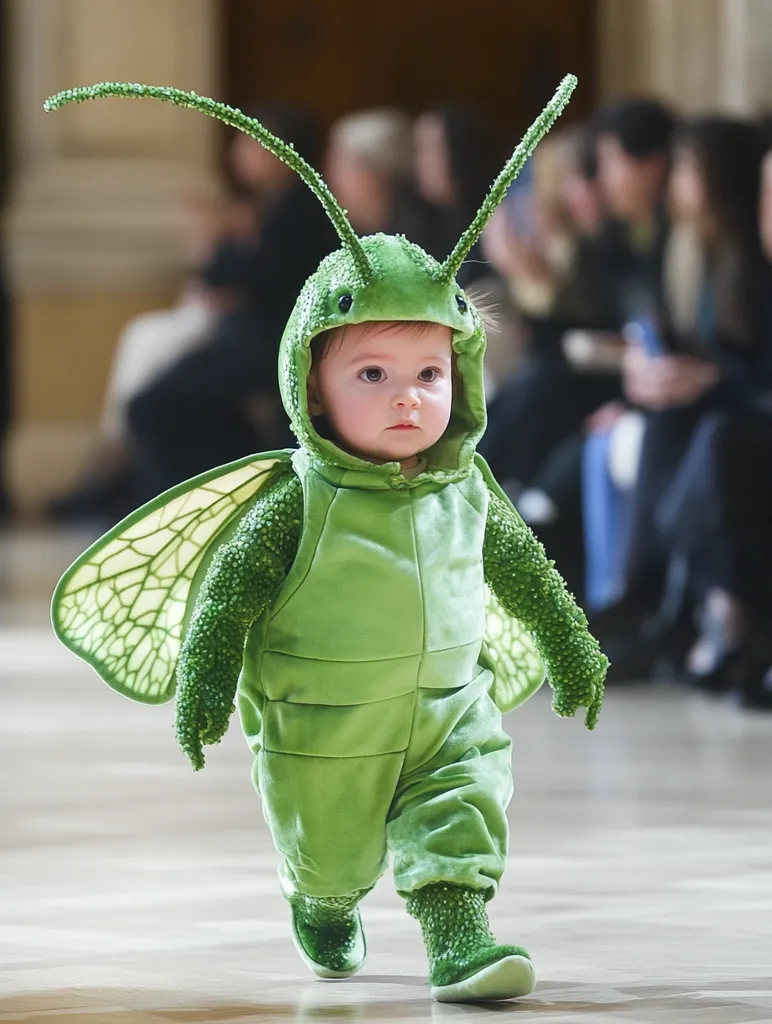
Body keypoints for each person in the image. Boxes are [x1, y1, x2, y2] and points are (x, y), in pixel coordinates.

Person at [50, 78, 608, 1004]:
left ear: (462, 375)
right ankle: (321, 899)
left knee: (458, 813)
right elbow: (229, 591)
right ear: (311, 386)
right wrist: (203, 682)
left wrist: (571, 649)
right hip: (323, 724)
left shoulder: (467, 487)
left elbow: (524, 570)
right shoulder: (294, 504)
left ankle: (458, 932)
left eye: (432, 372)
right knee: (332, 853)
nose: (408, 396)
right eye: (376, 372)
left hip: (444, 711)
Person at [126, 105, 339, 499]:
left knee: (150, 407)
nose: (238, 155)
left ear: (277, 151)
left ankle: (177, 501)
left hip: (273, 343)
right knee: (163, 401)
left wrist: (216, 239)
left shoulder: (301, 207)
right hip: (253, 335)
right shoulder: (278, 204)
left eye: (248, 144)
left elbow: (247, 278)